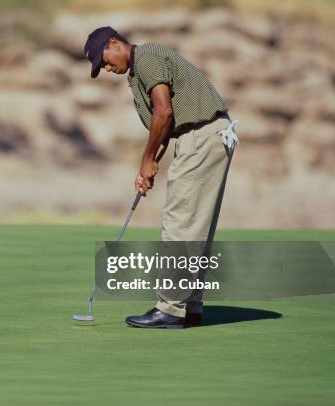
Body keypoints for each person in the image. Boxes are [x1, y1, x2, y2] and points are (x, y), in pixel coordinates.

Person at [84, 26, 238, 329]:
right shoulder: (136, 75)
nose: (105, 69)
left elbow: (164, 113)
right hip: (207, 137)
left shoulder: (147, 56)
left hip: (202, 136)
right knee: (195, 227)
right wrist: (149, 165)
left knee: (180, 224)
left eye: (103, 61)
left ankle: (170, 308)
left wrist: (145, 160)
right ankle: (190, 307)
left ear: (114, 43)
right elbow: (163, 126)